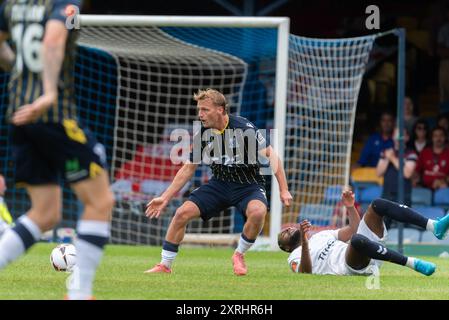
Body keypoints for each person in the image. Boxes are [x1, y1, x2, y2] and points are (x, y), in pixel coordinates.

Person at [0, 0, 115, 300]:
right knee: (100, 200)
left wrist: (22, 72)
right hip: (53, 116)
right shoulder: (65, 3)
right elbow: (52, 40)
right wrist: (48, 91)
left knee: (45, 213)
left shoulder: (12, 5)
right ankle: (79, 293)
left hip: (19, 114)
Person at [145, 88, 293, 275]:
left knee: (258, 212)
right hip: (220, 184)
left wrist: (284, 189)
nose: (200, 114)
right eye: (199, 110)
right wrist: (164, 197)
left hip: (248, 185)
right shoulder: (203, 136)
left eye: (205, 110)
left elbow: (273, 157)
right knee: (182, 213)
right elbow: (187, 169)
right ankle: (164, 265)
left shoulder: (243, 129)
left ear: (221, 110)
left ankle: (239, 254)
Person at [278, 189, 447, 276]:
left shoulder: (320, 236)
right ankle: (413, 263)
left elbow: (353, 229)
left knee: (377, 204)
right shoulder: (293, 257)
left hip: (365, 248)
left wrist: (351, 207)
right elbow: (305, 273)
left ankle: (434, 226)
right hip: (352, 265)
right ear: (286, 248)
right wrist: (305, 243)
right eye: (283, 234)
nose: (287, 229)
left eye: (287, 228)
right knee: (357, 240)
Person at [376, 127, 417, 207]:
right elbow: (378, 173)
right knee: (385, 219)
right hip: (387, 194)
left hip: (403, 195)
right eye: (396, 134)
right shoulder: (386, 152)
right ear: (392, 136)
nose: (398, 137)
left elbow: (407, 174)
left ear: (407, 137)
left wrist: (392, 158)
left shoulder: (411, 153)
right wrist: (388, 158)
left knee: (401, 219)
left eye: (401, 134)